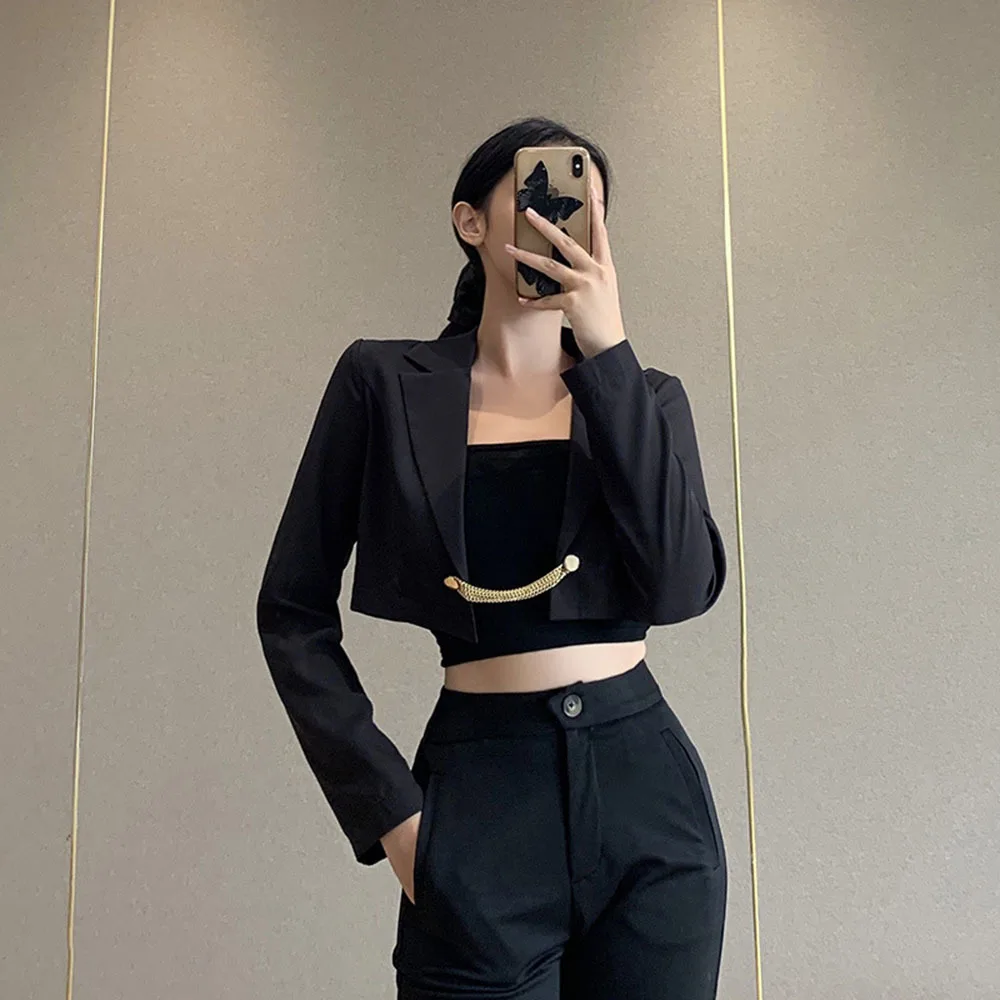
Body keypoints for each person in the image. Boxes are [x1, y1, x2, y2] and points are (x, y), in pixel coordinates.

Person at [256, 116, 728, 1000]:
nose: (562, 223)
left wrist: (608, 352)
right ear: (470, 220)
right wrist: (393, 817)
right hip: (480, 791)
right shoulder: (383, 384)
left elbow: (680, 588)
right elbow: (290, 612)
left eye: (582, 207)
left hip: (648, 798)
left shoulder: (646, 396)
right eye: (540, 198)